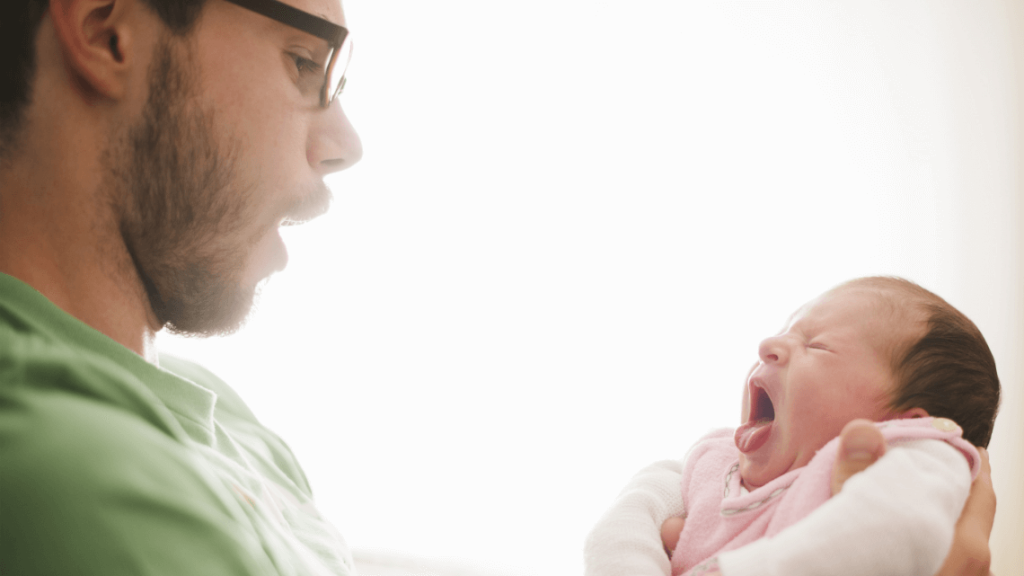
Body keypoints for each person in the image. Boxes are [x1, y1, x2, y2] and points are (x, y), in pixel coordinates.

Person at [0, 1, 997, 575]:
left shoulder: (214, 417)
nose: (343, 142)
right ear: (107, 26)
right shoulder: (62, 462)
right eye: (306, 62)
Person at [584, 277, 1000, 576]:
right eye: (785, 332)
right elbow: (623, 525)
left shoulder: (913, 457)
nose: (768, 345)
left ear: (903, 423)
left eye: (816, 345)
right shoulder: (710, 462)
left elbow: (902, 531)